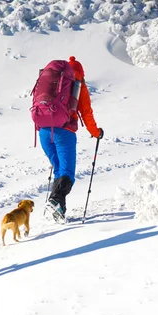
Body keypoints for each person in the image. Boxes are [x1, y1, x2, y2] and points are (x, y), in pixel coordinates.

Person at [40, 56, 103, 221]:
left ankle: (59, 209)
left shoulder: (54, 80)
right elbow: (86, 112)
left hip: (44, 132)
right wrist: (96, 132)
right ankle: (55, 201)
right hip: (64, 133)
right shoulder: (78, 84)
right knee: (68, 173)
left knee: (59, 171)